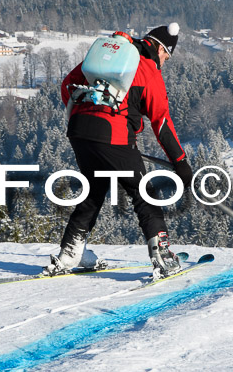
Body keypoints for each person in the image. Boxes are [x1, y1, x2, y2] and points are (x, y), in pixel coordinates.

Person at [44, 22, 193, 278]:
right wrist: (180, 161)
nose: (165, 62)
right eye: (167, 56)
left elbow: (67, 84)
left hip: (79, 132)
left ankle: (70, 252)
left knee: (94, 189)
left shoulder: (108, 57)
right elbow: (162, 122)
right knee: (144, 192)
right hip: (113, 136)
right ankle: (162, 255)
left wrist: (87, 116)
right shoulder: (148, 69)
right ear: (159, 48)